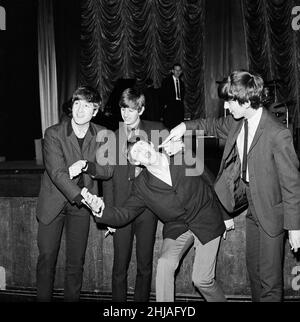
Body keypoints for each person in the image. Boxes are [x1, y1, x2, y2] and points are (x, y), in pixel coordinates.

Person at [161, 70, 300, 302]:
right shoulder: (237, 123)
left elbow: (292, 185)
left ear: (246, 101)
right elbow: (210, 125)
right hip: (252, 210)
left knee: (270, 280)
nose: (227, 106)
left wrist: (294, 227)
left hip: (271, 212)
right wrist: (182, 129)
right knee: (254, 274)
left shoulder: (278, 133)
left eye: (230, 101)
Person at [86, 139, 234, 302]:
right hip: (177, 227)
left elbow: (211, 181)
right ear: (137, 162)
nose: (142, 151)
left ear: (150, 143)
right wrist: (101, 210)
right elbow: (125, 213)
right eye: (136, 153)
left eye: (141, 145)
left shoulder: (181, 157)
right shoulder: (141, 185)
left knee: (202, 279)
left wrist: (225, 215)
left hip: (206, 218)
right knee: (164, 263)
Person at [36, 85, 113, 301]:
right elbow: (58, 173)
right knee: (46, 259)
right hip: (54, 202)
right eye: (77, 103)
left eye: (87, 106)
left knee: (75, 262)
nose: (80, 110)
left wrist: (86, 165)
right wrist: (85, 197)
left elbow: (107, 171)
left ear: (95, 111)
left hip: (81, 206)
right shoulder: (53, 133)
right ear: (71, 106)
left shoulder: (103, 135)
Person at [102, 87, 167, 302]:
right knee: (119, 266)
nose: (125, 114)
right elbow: (108, 179)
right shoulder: (113, 137)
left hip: (148, 209)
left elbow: (169, 169)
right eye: (123, 108)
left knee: (145, 265)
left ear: (141, 109)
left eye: (130, 109)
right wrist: (109, 214)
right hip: (120, 209)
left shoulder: (158, 131)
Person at [161, 63, 185, 129]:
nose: (178, 72)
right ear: (172, 71)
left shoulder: (182, 83)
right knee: (170, 127)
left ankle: (178, 139)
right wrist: (165, 105)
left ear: (181, 71)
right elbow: (162, 94)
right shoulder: (166, 81)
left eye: (179, 70)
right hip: (170, 107)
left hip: (179, 106)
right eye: (176, 70)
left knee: (179, 127)